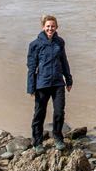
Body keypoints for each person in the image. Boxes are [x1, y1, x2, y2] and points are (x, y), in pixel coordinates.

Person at [26, 14, 72, 150]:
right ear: (43, 27)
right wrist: (31, 87)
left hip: (58, 83)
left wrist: (68, 79)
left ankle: (58, 138)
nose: (50, 28)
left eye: (52, 26)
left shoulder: (60, 42)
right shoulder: (35, 44)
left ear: (56, 27)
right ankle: (37, 142)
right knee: (39, 114)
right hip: (42, 84)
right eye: (48, 26)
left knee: (59, 112)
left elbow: (64, 61)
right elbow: (32, 67)